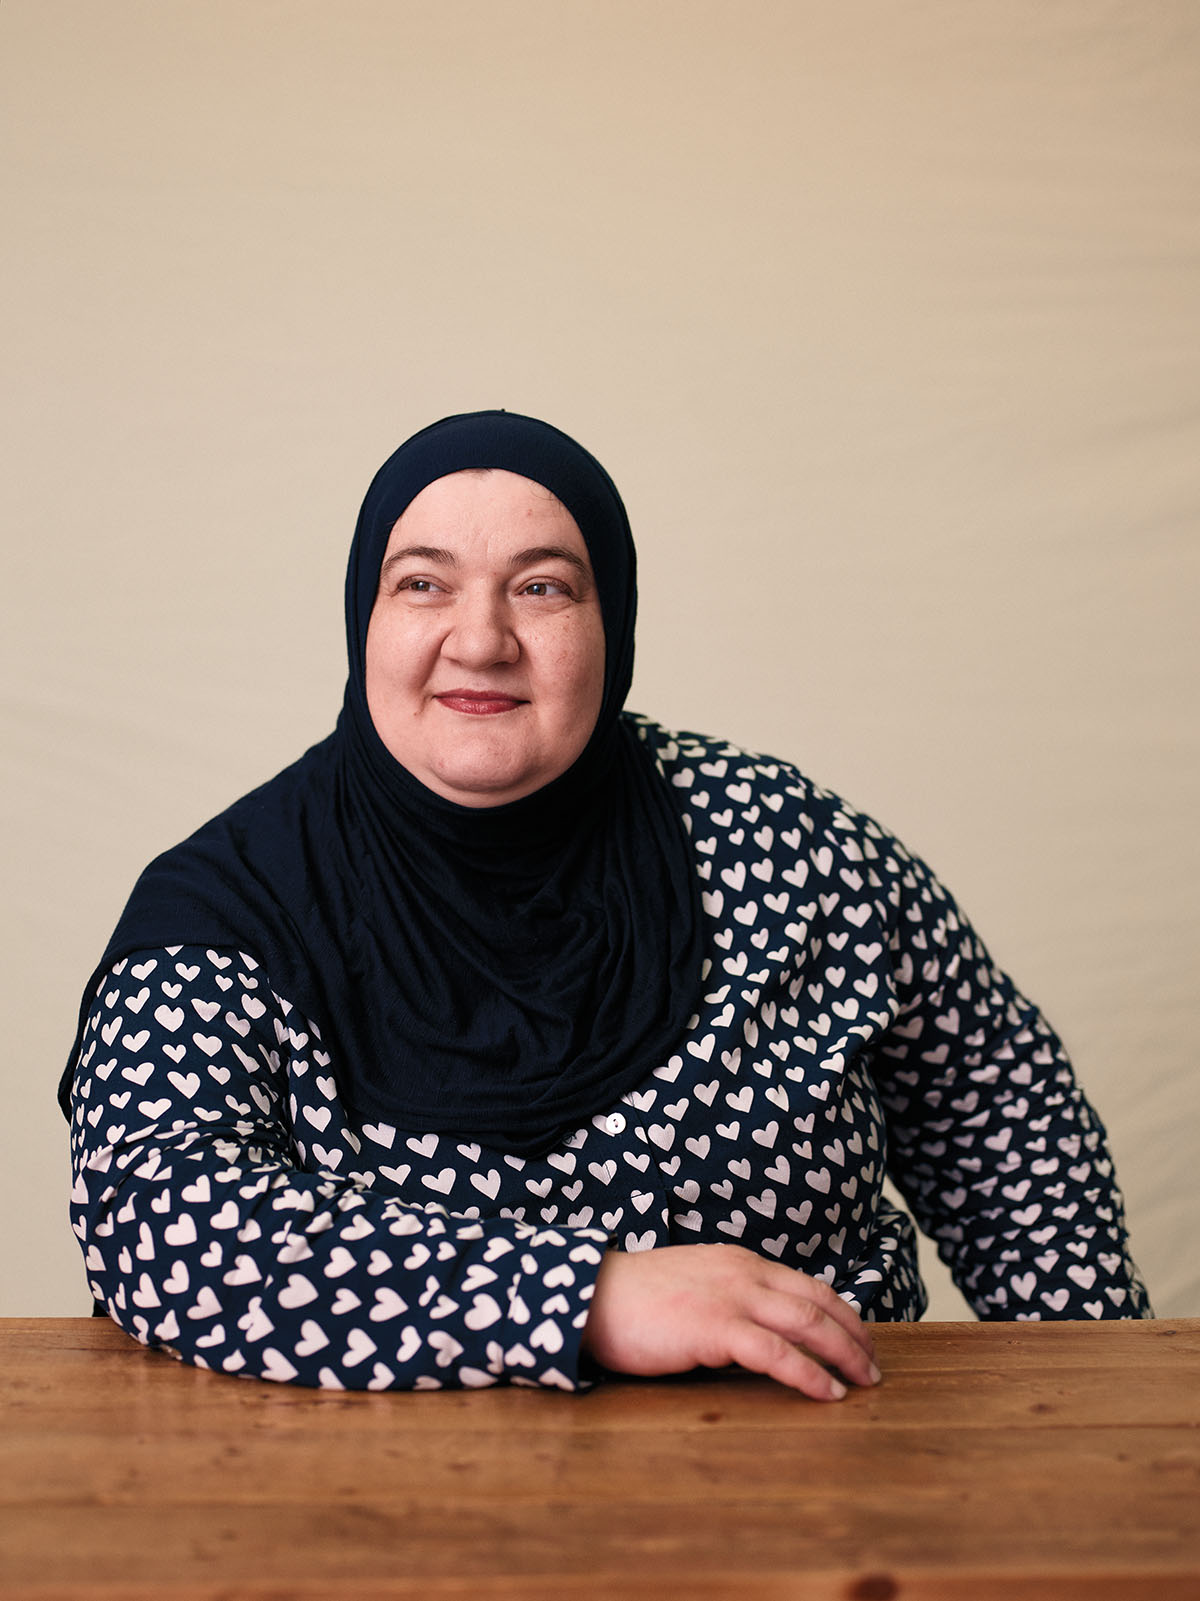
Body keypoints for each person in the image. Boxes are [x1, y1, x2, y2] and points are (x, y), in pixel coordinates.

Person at [61, 410, 1151, 1400]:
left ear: (612, 621)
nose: (481, 638)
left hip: (826, 1512)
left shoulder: (790, 843)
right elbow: (164, 1224)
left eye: (542, 585)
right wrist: (585, 1295)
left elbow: (1001, 1110)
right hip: (381, 1525)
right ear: (364, 617)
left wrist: (1102, 1419)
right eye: (424, 583)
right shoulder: (229, 905)